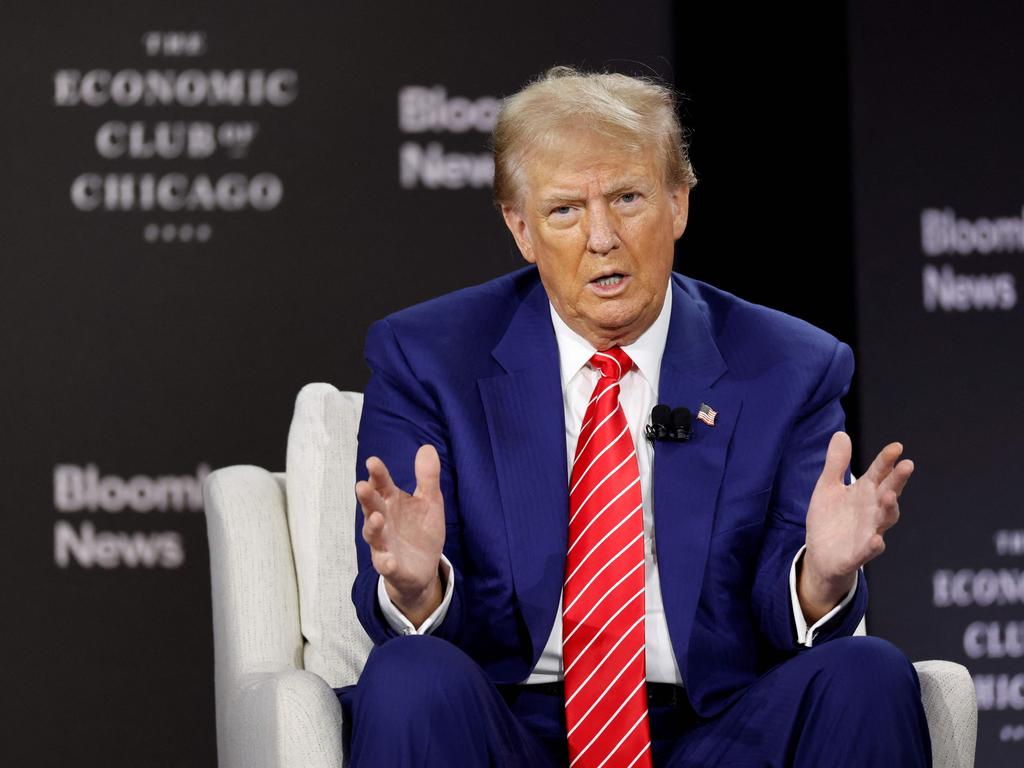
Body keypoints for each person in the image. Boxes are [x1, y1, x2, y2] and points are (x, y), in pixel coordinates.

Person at [339, 67, 931, 767]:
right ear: (521, 227)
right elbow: (420, 612)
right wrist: (419, 588)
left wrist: (820, 578)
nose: (602, 237)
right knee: (408, 676)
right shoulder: (429, 358)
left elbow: (783, 606)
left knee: (870, 673)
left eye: (628, 198)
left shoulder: (787, 366)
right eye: (565, 211)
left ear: (679, 204)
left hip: (715, 727)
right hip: (510, 723)